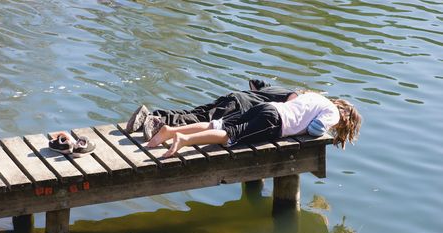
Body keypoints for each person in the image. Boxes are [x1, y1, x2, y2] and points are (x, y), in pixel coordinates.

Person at [145, 90, 362, 157]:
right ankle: (185, 139)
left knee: (217, 124)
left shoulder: (317, 96)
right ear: (346, 119)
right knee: (231, 136)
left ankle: (170, 130)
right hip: (276, 122)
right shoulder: (333, 114)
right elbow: (316, 129)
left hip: (270, 108)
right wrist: (309, 128)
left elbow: (291, 99)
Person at [126, 79, 317, 141]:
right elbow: (291, 107)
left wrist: (259, 95)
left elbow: (254, 82)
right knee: (198, 119)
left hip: (234, 96)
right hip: (239, 108)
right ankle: (158, 122)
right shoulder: (294, 98)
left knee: (198, 113)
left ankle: (155, 115)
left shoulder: (276, 88)